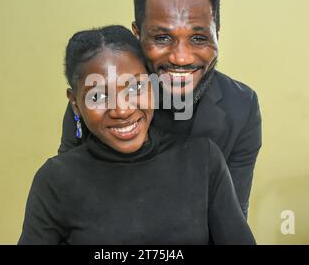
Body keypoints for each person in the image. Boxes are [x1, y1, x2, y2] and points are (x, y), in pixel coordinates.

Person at [18, 25, 255, 245]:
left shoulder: (203, 159)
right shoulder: (55, 180)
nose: (122, 110)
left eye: (134, 88)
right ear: (76, 104)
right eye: (99, 96)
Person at [58, 0, 262, 218]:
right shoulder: (99, 98)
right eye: (162, 38)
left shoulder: (241, 106)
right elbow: (66, 197)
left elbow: (233, 216)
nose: (180, 57)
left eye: (199, 38)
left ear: (217, 35)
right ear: (137, 34)